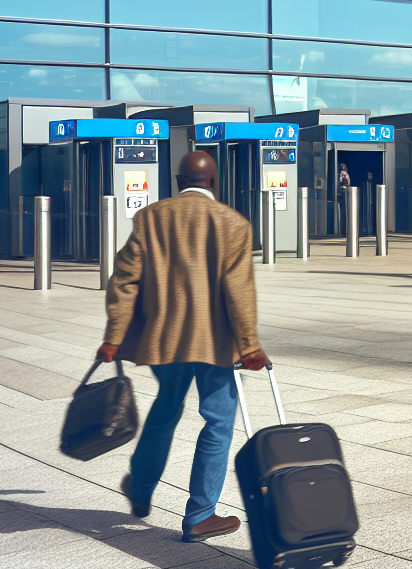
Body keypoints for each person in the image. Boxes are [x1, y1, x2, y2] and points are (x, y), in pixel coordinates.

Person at [99, 150, 264, 543]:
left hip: (164, 340)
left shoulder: (151, 217)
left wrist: (114, 336)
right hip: (214, 344)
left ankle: (140, 486)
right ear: (215, 182)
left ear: (178, 182)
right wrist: (250, 346)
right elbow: (238, 291)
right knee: (219, 421)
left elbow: (125, 280)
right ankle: (200, 515)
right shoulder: (233, 223)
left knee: (167, 407)